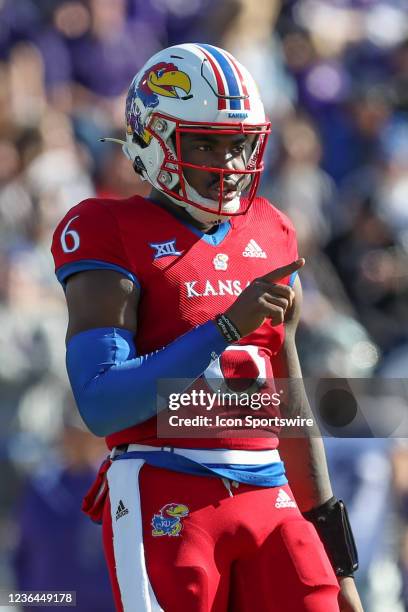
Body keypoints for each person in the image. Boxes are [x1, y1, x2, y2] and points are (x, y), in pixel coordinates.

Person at [51, 43, 363, 612]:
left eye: (238, 143)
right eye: (205, 142)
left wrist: (337, 557)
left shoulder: (271, 229)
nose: (226, 163)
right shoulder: (105, 228)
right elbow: (101, 402)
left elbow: (286, 408)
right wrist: (223, 328)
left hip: (271, 495)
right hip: (168, 491)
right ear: (152, 139)